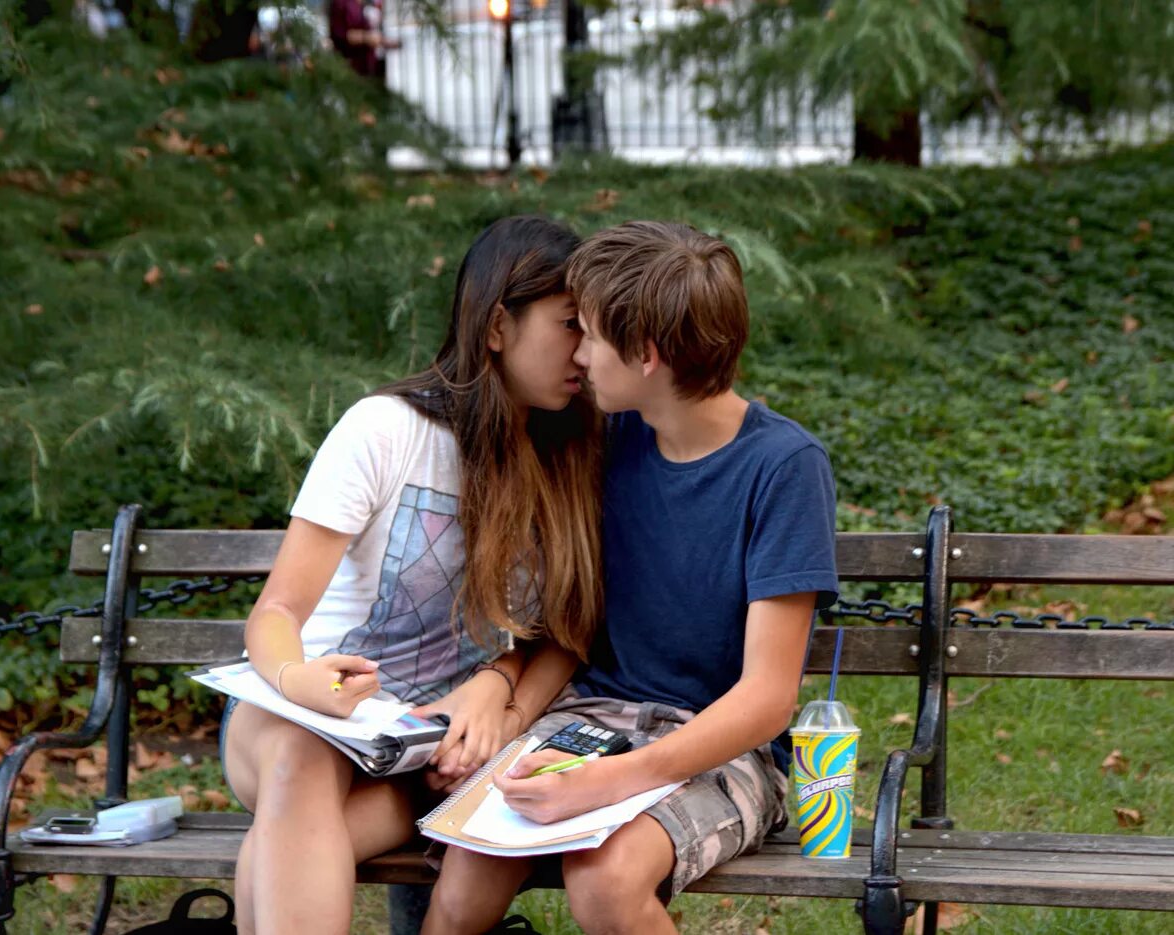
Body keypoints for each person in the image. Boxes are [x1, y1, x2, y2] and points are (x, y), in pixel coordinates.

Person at [422, 221, 839, 935]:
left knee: (606, 878)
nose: (577, 355)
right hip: (587, 723)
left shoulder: (783, 468)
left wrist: (609, 781)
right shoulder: (605, 439)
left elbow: (768, 699)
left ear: (645, 354)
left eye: (587, 334)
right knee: (467, 870)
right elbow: (559, 620)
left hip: (722, 747)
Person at [219, 215, 604, 935]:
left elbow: (569, 635)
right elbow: (275, 613)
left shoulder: (570, 456)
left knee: (282, 845)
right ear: (497, 327)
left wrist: (502, 697)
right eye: (568, 325)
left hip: (428, 753)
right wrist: (304, 680)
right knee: (302, 761)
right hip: (294, 717)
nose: (585, 352)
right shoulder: (385, 430)